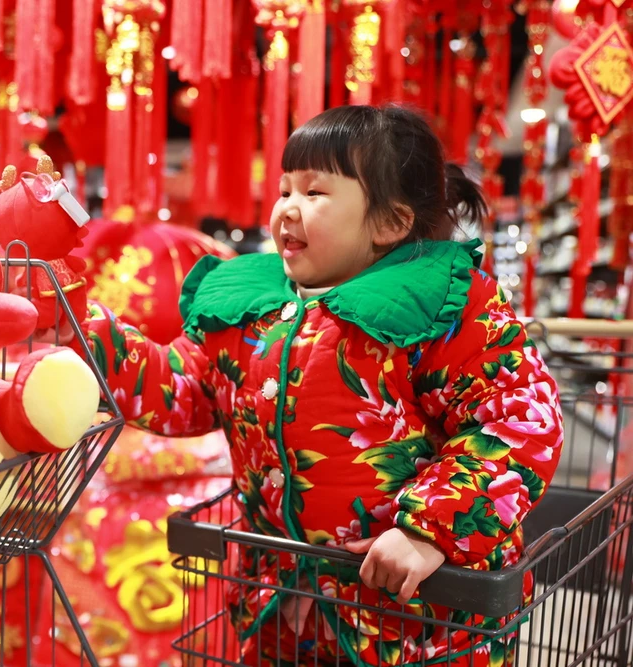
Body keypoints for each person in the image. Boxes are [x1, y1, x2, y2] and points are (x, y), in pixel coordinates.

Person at [64, 104, 564, 666]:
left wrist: (430, 531)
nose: (287, 210)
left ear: (390, 223)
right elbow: (183, 391)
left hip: (416, 619)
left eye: (314, 193)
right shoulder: (249, 309)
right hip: (282, 601)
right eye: (284, 191)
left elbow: (519, 422)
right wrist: (81, 328)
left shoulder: (446, 306)